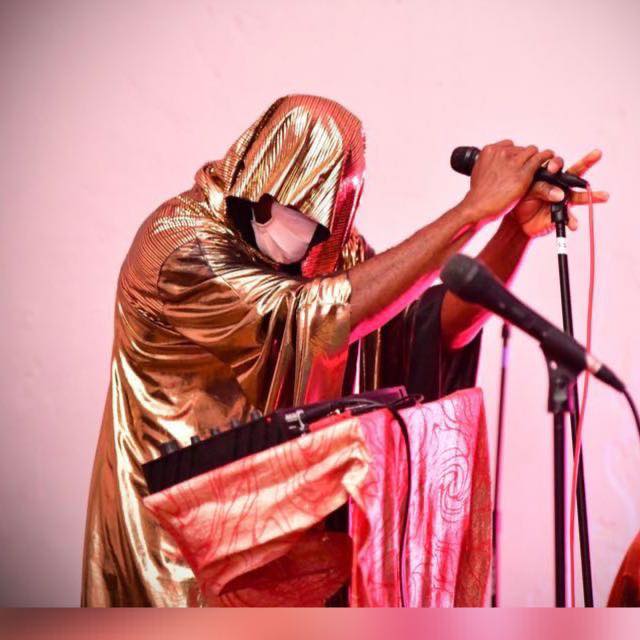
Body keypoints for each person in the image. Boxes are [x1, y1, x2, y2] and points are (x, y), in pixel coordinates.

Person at [81, 94, 607, 606]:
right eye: (290, 207)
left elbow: (419, 327)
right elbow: (315, 317)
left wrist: (512, 231)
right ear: (258, 178)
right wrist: (472, 210)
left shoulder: (323, 247)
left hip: (275, 536)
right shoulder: (180, 247)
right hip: (173, 545)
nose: (307, 234)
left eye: (319, 219)